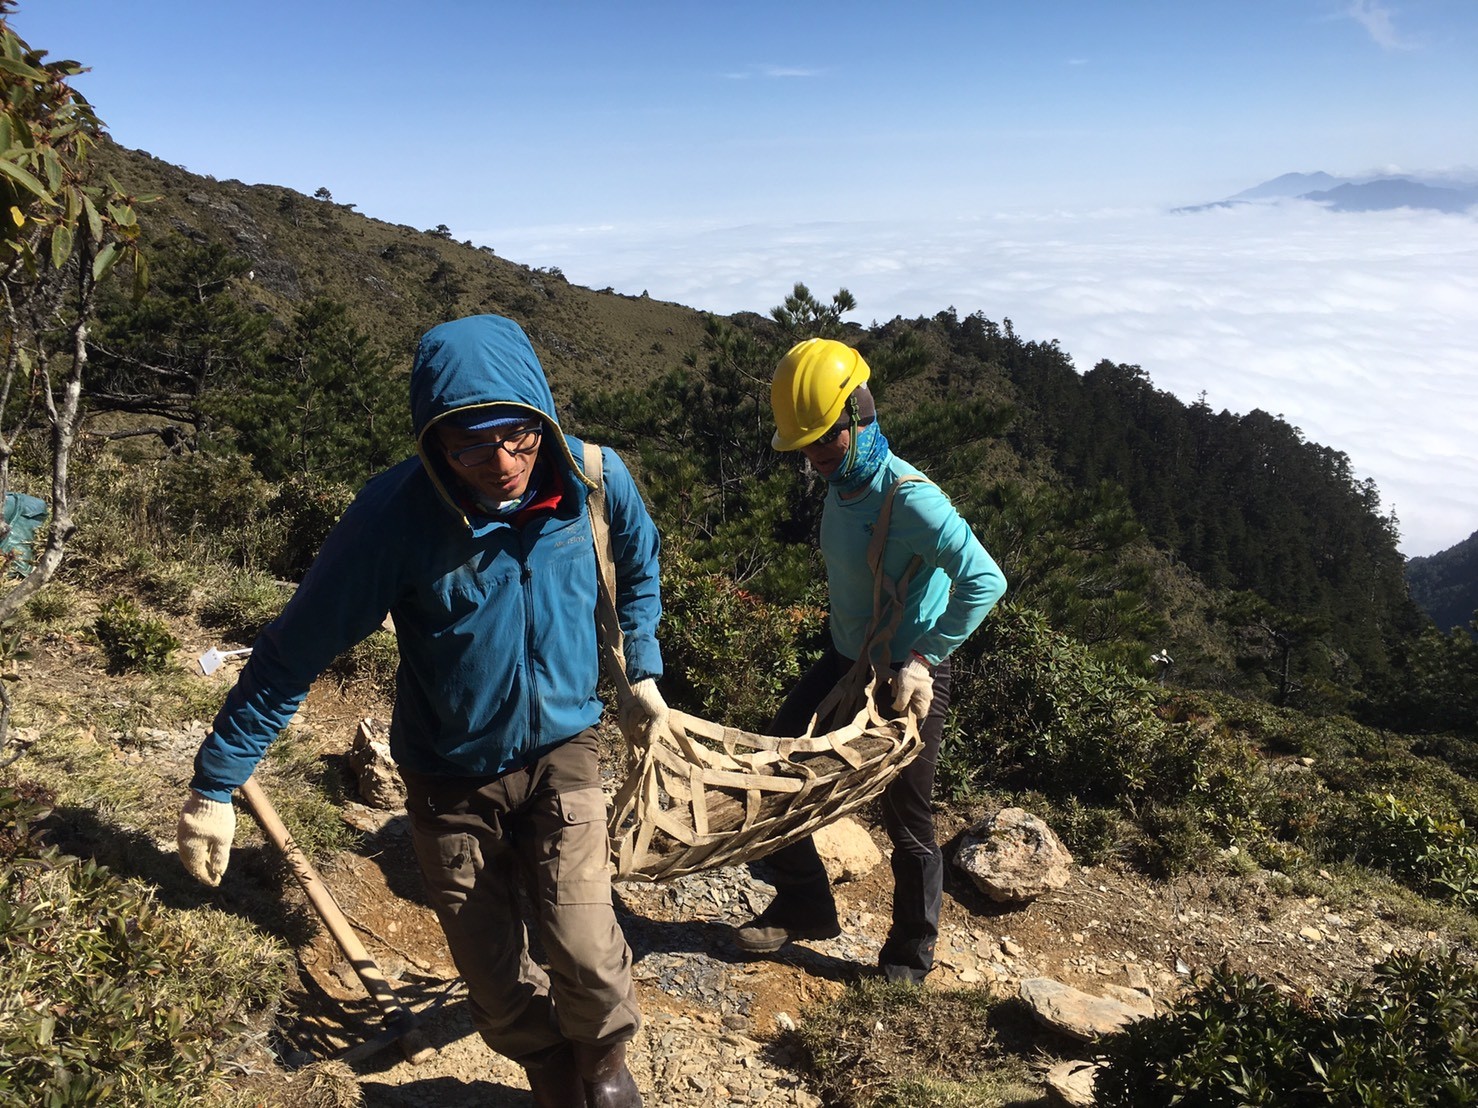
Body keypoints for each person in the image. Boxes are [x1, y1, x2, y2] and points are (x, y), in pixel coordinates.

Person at [176, 314, 665, 1108]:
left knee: (585, 943)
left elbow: (638, 564)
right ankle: (545, 1069)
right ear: (434, 441)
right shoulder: (394, 519)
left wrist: (640, 670)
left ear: (540, 417)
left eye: (517, 436)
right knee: (492, 970)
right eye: (471, 445)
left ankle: (604, 1063)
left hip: (563, 751)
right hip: (449, 772)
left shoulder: (594, 480)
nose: (501, 463)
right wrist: (216, 784)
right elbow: (294, 651)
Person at [736, 337, 1007, 985]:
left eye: (825, 439)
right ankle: (804, 900)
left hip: (907, 674)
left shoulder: (909, 498)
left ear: (861, 418)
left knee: (906, 815)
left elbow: (985, 580)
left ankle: (909, 959)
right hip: (848, 660)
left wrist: (924, 656)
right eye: (804, 444)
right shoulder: (844, 481)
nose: (814, 456)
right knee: (776, 761)